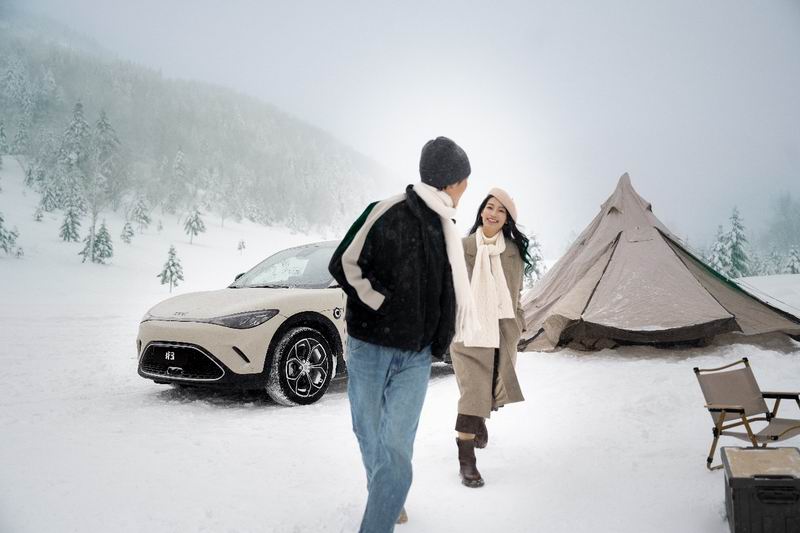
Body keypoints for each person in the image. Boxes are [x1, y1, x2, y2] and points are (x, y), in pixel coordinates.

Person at [329, 136, 477, 532]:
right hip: (369, 348)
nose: (466, 188)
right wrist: (380, 303)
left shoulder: (446, 229)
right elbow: (344, 262)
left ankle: (381, 509)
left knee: (395, 447)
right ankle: (387, 494)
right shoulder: (386, 211)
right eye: (464, 180)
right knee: (368, 431)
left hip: (415, 355)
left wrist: (438, 339)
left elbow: (446, 292)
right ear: (450, 181)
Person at [449, 188, 530, 488]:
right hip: (468, 332)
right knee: (472, 392)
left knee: (491, 388)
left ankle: (480, 420)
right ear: (481, 211)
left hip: (501, 333)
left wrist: (518, 322)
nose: (493, 213)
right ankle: (466, 461)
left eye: (501, 210)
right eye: (489, 207)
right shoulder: (462, 247)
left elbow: (517, 294)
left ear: (507, 219)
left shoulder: (513, 253)